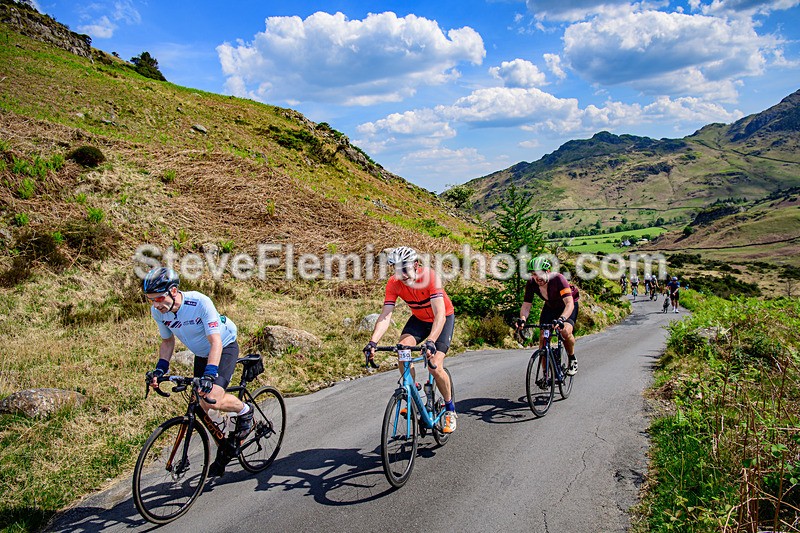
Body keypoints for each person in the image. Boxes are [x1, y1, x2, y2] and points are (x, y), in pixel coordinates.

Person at [142, 266, 251, 476]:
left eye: (158, 298)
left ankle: (245, 412)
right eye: (150, 299)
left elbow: (215, 341)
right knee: (203, 403)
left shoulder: (199, 302)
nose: (155, 304)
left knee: (213, 398)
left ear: (173, 291)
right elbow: (167, 341)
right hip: (201, 353)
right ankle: (226, 440)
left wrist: (210, 374)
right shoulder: (158, 311)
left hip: (224, 346)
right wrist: (159, 369)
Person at [363, 246, 457, 433]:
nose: (402, 275)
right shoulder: (393, 283)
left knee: (434, 365)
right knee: (402, 349)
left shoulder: (429, 277)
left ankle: (450, 410)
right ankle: (412, 392)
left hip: (442, 319)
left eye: (405, 268)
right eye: (397, 270)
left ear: (415, 265)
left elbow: (439, 314)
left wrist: (430, 340)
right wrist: (373, 341)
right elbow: (385, 316)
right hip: (420, 320)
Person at [516, 256, 579, 376]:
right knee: (543, 338)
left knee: (565, 331)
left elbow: (569, 304)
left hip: (567, 306)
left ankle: (572, 359)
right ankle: (546, 375)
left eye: (539, 273)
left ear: (548, 271)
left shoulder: (558, 279)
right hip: (550, 307)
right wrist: (523, 319)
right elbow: (526, 306)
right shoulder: (531, 283)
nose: (537, 277)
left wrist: (561, 319)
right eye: (534, 274)